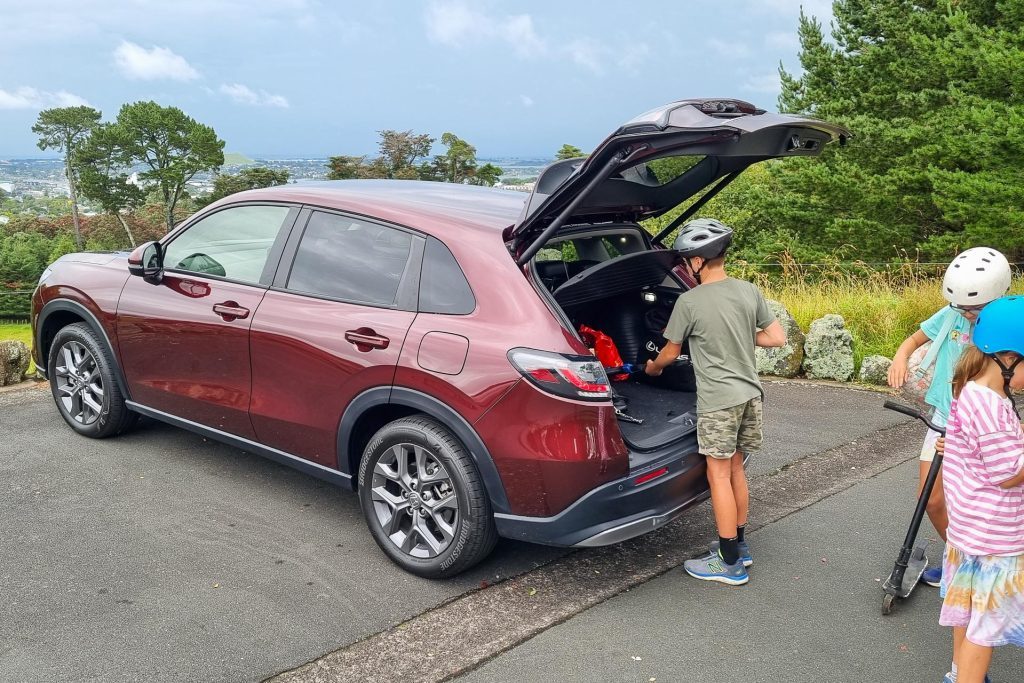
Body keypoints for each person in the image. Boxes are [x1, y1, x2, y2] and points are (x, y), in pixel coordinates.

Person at [645, 218, 786, 585]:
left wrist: (652, 369)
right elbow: (776, 338)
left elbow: (669, 353)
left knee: (718, 475)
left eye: (686, 260)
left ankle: (727, 563)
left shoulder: (689, 302)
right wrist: (738, 334)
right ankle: (739, 547)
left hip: (719, 402)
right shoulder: (748, 291)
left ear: (696, 261)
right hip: (749, 396)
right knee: (737, 469)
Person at [887, 247, 1011, 586]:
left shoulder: (1009, 328)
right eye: (962, 307)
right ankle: (957, 554)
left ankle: (975, 564)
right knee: (931, 499)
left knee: (978, 502)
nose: (968, 313)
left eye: (976, 307)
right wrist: (900, 358)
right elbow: (912, 340)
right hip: (943, 417)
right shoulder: (951, 314)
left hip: (982, 426)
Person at [937, 295, 1024, 683]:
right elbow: (1009, 472)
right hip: (996, 539)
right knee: (984, 632)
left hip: (970, 531)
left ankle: (960, 674)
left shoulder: (972, 390)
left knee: (969, 615)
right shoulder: (991, 407)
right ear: (1008, 357)